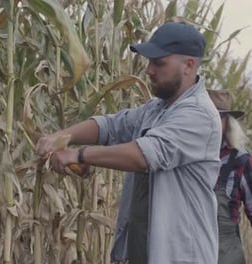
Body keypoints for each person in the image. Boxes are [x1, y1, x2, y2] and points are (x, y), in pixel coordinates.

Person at [36, 22, 222, 264]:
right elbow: (111, 126)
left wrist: (78, 155)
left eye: (159, 63)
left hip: (179, 256)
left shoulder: (198, 115)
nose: (148, 70)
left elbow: (143, 156)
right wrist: (61, 137)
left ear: (188, 66)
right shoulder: (158, 109)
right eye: (149, 62)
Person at [207, 89, 252, 264]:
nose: (213, 122)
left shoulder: (239, 160)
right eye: (207, 116)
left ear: (227, 122)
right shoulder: (183, 156)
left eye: (220, 117)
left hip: (225, 253)